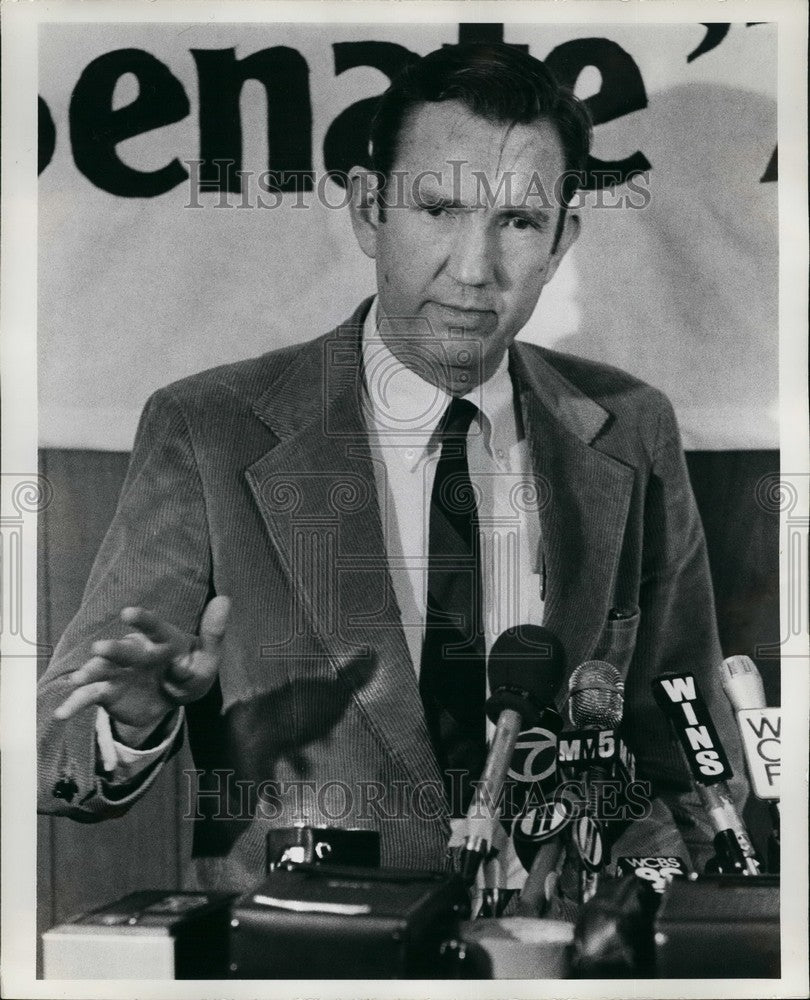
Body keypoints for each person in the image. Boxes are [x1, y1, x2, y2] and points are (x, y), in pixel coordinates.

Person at [37, 43, 747, 895]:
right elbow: (55, 757)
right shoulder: (209, 427)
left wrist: (687, 915)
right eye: (439, 209)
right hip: (307, 955)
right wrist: (132, 715)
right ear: (370, 209)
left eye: (518, 222)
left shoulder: (631, 428)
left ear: (562, 240)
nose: (475, 269)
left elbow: (689, 737)